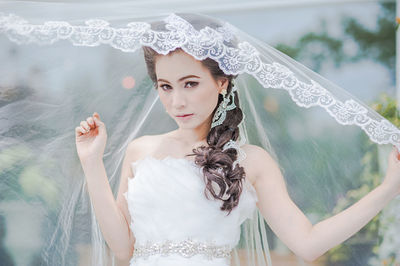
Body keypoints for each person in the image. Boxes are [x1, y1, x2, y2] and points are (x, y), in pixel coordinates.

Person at [1, 8, 400, 266]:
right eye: (165, 86)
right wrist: (91, 164)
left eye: (190, 83)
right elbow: (122, 249)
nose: (177, 100)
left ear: (223, 82)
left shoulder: (252, 161)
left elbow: (308, 244)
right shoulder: (141, 151)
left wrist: (387, 189)